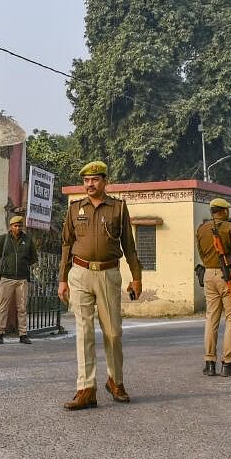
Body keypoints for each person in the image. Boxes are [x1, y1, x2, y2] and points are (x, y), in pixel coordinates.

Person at [59, 161, 142, 411]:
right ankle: (86, 389)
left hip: (108, 274)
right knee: (83, 333)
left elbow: (129, 244)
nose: (89, 185)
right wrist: (62, 279)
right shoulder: (75, 209)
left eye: (95, 180)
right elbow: (65, 245)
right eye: (86, 181)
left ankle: (115, 381)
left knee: (113, 332)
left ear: (105, 181)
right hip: (80, 273)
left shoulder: (117, 208)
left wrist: (136, 277)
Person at [195, 198, 231, 377]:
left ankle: (209, 362)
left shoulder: (201, 229)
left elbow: (201, 252)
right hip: (228, 275)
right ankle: (228, 362)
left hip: (208, 274)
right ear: (224, 211)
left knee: (211, 319)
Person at [0, 216, 37, 345]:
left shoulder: (28, 240)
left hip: (22, 279)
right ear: (10, 227)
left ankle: (23, 334)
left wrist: (27, 272)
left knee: (22, 307)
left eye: (20, 226)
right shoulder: (3, 240)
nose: (18, 228)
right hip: (6, 277)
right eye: (15, 226)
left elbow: (33, 259)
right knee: (3, 307)